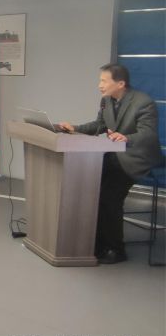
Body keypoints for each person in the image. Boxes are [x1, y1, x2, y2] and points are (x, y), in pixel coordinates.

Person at [57, 63, 162, 264]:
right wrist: (74, 128)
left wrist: (127, 137)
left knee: (109, 197)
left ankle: (116, 249)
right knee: (90, 190)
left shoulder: (143, 102)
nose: (100, 85)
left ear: (120, 83)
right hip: (115, 155)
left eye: (104, 81)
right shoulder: (106, 101)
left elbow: (148, 134)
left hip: (137, 156)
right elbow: (100, 125)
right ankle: (96, 242)